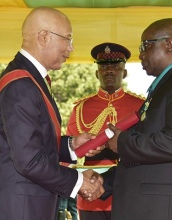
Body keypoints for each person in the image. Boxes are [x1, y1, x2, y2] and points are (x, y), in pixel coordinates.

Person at [0, 7, 104, 220]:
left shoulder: (29, 79)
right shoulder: (21, 85)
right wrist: (79, 182)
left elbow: (29, 142)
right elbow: (30, 160)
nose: (71, 48)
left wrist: (70, 146)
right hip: (15, 211)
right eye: (67, 39)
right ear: (43, 37)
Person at [102, 18, 172, 220]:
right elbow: (150, 158)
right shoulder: (165, 88)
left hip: (171, 210)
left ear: (169, 44)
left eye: (145, 46)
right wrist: (104, 182)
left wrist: (123, 142)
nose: (141, 54)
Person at [65, 42, 144, 220]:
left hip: (129, 194)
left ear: (124, 72)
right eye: (104, 67)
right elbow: (67, 154)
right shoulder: (80, 108)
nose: (109, 71)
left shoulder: (140, 107)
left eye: (116, 66)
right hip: (90, 197)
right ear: (96, 73)